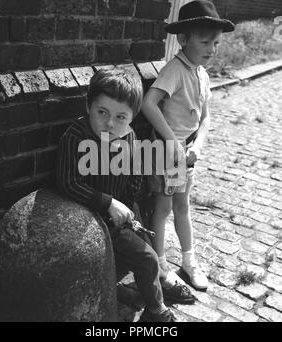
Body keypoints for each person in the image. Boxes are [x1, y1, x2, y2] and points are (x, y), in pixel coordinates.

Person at [56, 68, 195, 323]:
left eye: (121, 117)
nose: (110, 123)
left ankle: (147, 286)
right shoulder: (76, 136)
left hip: (122, 211)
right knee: (146, 257)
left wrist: (131, 210)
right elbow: (68, 183)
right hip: (92, 217)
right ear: (89, 106)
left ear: (132, 117)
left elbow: (134, 175)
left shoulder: (129, 136)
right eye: (102, 113)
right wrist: (108, 203)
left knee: (146, 252)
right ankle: (156, 311)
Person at [142, 0, 235, 291]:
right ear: (183, 39)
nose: (211, 49)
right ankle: (158, 263)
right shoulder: (176, 69)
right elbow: (149, 104)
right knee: (164, 208)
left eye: (216, 43)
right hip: (169, 155)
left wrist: (199, 146)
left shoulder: (202, 74)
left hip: (187, 155)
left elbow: (206, 118)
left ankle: (188, 260)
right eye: (205, 41)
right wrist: (172, 142)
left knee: (184, 207)